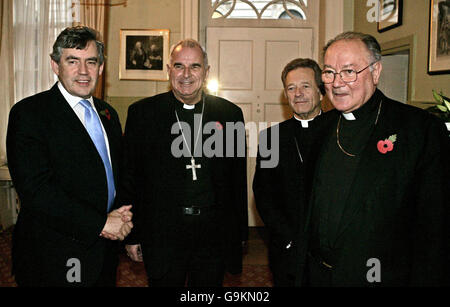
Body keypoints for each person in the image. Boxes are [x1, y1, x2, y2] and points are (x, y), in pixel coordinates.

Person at [302, 31, 450, 286]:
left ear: (376, 71)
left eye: (349, 71)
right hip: (318, 275)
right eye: (329, 72)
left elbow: (436, 228)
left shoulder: (420, 130)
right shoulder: (319, 128)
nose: (337, 83)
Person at [6, 26, 133, 287]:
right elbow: (37, 191)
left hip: (103, 251)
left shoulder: (108, 114)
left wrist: (123, 216)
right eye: (72, 61)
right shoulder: (30, 114)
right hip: (54, 253)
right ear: (55, 65)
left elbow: (114, 174)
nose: (83, 71)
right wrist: (101, 223)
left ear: (101, 67)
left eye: (91, 61)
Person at [121, 39, 248, 287]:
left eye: (195, 66)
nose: (186, 74)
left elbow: (237, 180)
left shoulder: (229, 114)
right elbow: (130, 178)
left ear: (207, 71)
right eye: (179, 66)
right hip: (163, 232)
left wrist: (239, 235)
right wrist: (132, 233)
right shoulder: (143, 114)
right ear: (169, 70)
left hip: (213, 232)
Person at [253, 58, 325, 286]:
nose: (298, 94)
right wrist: (287, 238)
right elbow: (263, 195)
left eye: (305, 86)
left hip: (330, 249)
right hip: (287, 245)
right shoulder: (271, 138)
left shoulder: (339, 132)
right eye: (291, 88)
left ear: (321, 92)